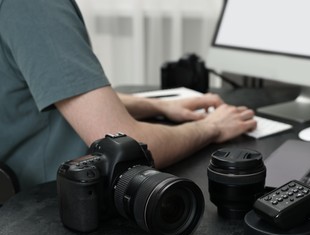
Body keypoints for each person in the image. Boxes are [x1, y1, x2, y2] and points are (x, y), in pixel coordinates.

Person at [0, 0, 256, 190]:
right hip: (53, 202)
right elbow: (126, 149)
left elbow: (65, 96)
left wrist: (160, 106)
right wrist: (211, 127)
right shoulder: (33, 6)